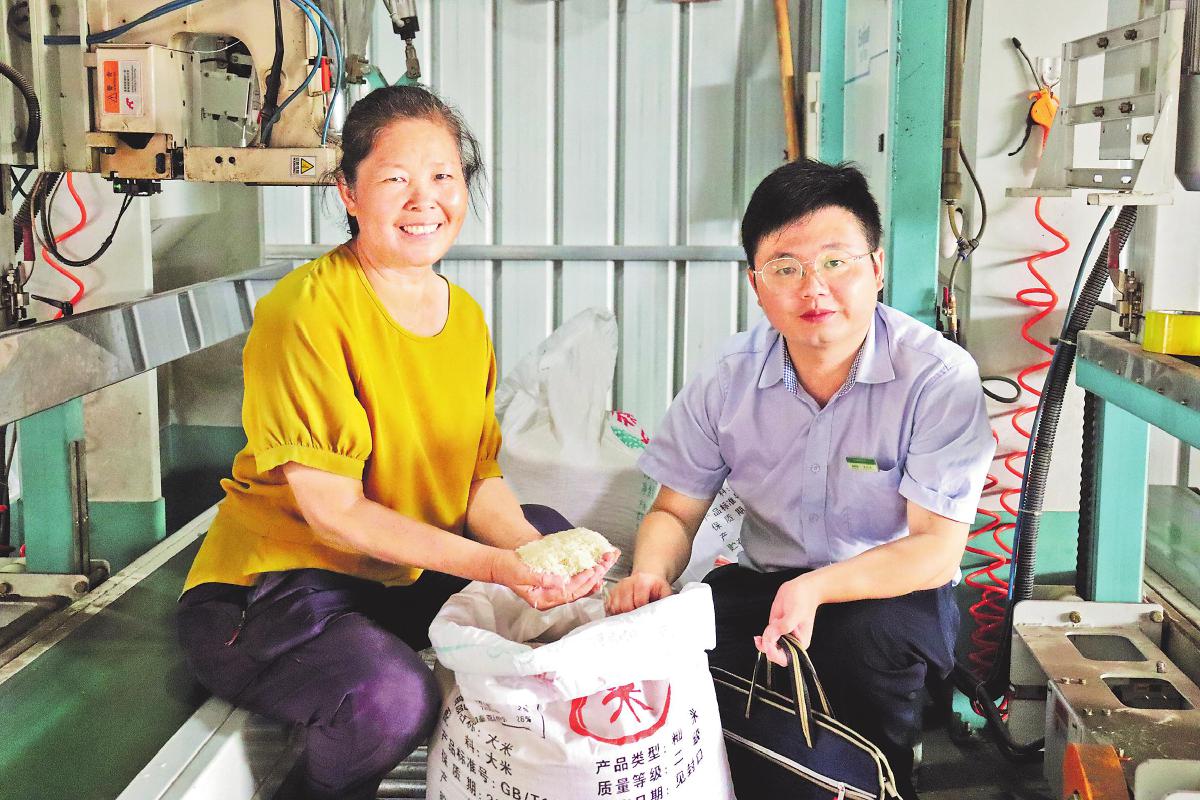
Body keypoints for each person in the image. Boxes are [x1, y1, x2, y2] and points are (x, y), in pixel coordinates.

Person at [175, 85, 615, 800]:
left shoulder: (463, 317)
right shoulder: (306, 312)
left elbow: (477, 479)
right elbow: (334, 514)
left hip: (395, 576)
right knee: (391, 701)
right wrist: (498, 567)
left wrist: (532, 560)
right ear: (349, 193)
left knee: (545, 532)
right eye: (395, 180)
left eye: (443, 176)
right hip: (282, 588)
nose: (424, 201)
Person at [606, 159, 994, 799]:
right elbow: (675, 512)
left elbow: (935, 551)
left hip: (887, 592)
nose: (815, 289)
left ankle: (879, 783)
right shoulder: (727, 377)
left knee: (866, 648)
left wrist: (818, 589)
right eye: (786, 268)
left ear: (876, 268)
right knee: (683, 673)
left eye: (837, 262)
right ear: (756, 285)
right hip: (764, 584)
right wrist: (651, 574)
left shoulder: (936, 377)